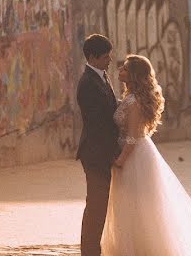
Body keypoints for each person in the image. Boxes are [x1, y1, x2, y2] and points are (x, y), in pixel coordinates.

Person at [101, 54, 191, 256]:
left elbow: (133, 137)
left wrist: (120, 161)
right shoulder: (130, 97)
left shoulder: (134, 101)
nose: (120, 71)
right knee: (132, 204)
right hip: (136, 153)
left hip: (134, 158)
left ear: (134, 75)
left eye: (125, 69)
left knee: (137, 204)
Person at [76, 33, 119, 256]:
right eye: (105, 57)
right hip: (95, 154)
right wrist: (114, 151)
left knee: (99, 204)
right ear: (92, 58)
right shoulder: (87, 83)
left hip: (101, 153)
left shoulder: (101, 77)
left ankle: (93, 249)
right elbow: (98, 124)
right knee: (95, 205)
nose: (109, 60)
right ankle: (90, 251)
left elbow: (110, 108)